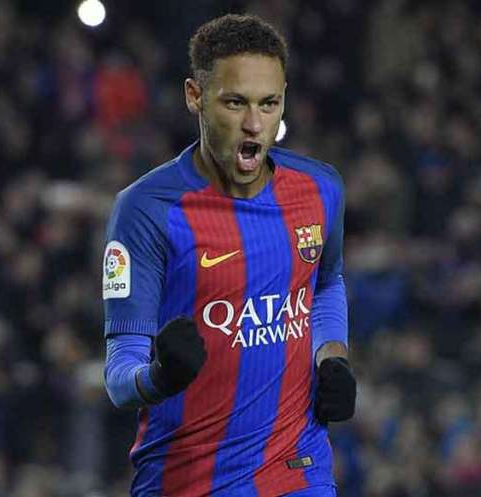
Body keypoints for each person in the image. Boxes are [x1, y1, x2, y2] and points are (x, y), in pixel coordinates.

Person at [102, 14, 356, 497]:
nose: (255, 125)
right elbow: (118, 376)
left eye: (270, 103)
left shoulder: (320, 190)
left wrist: (334, 357)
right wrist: (159, 377)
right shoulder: (146, 209)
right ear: (194, 97)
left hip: (297, 468)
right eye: (235, 103)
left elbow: (325, 282)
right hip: (186, 479)